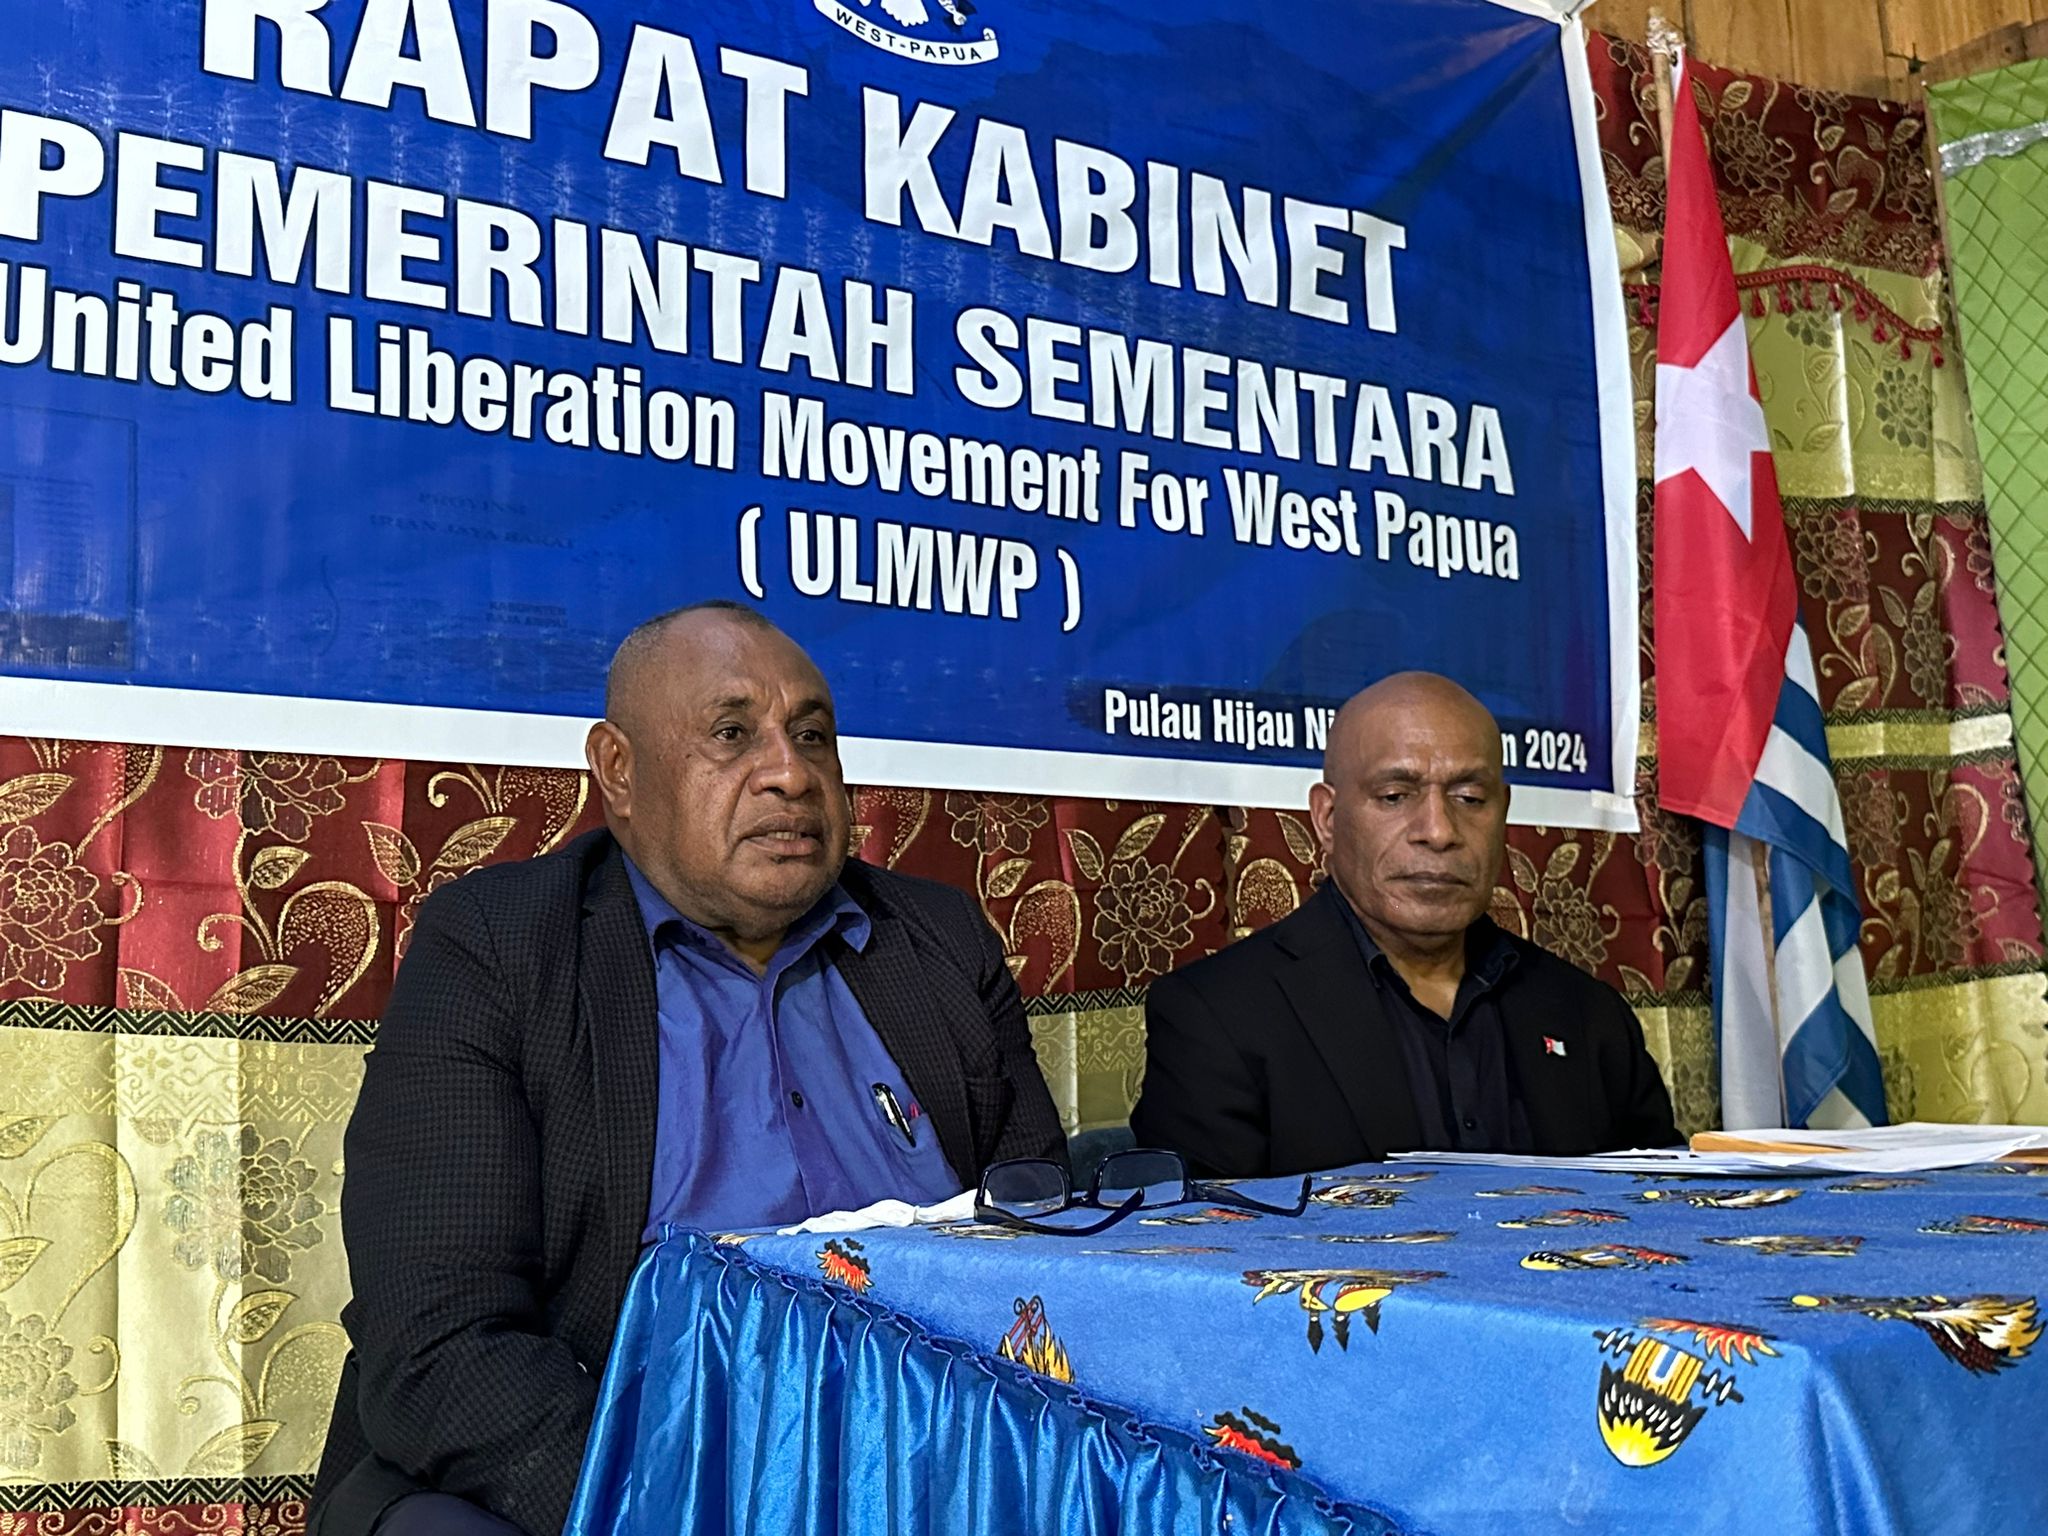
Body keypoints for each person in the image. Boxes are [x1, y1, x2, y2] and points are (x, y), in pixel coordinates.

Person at [310, 602, 1064, 1536]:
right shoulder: (502, 947)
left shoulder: (936, 940)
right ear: (619, 771)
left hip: (929, 1465)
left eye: (812, 736)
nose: (791, 774)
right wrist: (701, 1506)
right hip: (633, 1466)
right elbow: (443, 1341)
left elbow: (1046, 1244)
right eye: (733, 735)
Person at [1131, 672, 1678, 1177]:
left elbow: (1667, 1213)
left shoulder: (1587, 1014)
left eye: (1470, 798)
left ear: (1503, 812)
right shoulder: (1218, 1016)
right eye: (1395, 797)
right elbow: (1197, 1241)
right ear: (1327, 819)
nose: (1439, 831)